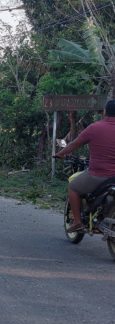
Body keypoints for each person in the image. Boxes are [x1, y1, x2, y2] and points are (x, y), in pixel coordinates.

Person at [54, 99, 115, 233]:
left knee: (73, 187)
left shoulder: (95, 127)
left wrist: (59, 154)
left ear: (105, 112)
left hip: (99, 175)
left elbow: (74, 144)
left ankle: (77, 222)